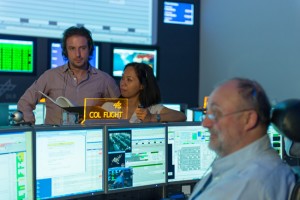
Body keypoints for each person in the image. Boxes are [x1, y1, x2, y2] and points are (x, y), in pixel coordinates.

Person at [189, 77, 295, 200]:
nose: (205, 123)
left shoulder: (245, 185)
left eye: (216, 114)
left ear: (249, 119)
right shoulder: (247, 169)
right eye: (206, 114)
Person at [17, 26, 120, 125]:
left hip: (90, 139)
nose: (78, 54)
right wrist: (30, 125)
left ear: (90, 49)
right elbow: (25, 102)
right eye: (72, 48)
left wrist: (98, 120)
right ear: (65, 51)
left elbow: (120, 112)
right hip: (55, 139)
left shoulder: (104, 80)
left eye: (82, 48)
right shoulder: (50, 76)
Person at [119, 62, 186, 123]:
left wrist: (152, 117)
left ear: (142, 85)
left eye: (129, 80)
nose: (122, 83)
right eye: (122, 78)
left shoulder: (152, 109)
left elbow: (181, 116)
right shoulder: (111, 106)